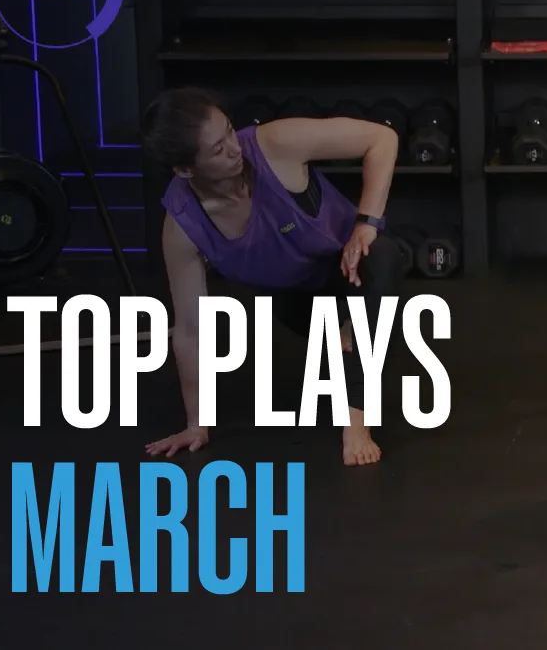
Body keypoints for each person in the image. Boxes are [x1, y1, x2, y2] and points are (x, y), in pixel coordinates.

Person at [140, 87, 403, 466]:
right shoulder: (182, 225)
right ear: (184, 169)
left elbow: (382, 138)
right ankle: (341, 332)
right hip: (296, 302)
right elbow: (191, 329)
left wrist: (366, 223)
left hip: (351, 266)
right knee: (338, 327)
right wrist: (197, 423)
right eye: (217, 149)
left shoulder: (274, 143)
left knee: (383, 257)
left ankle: (356, 423)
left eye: (229, 131)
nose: (234, 148)